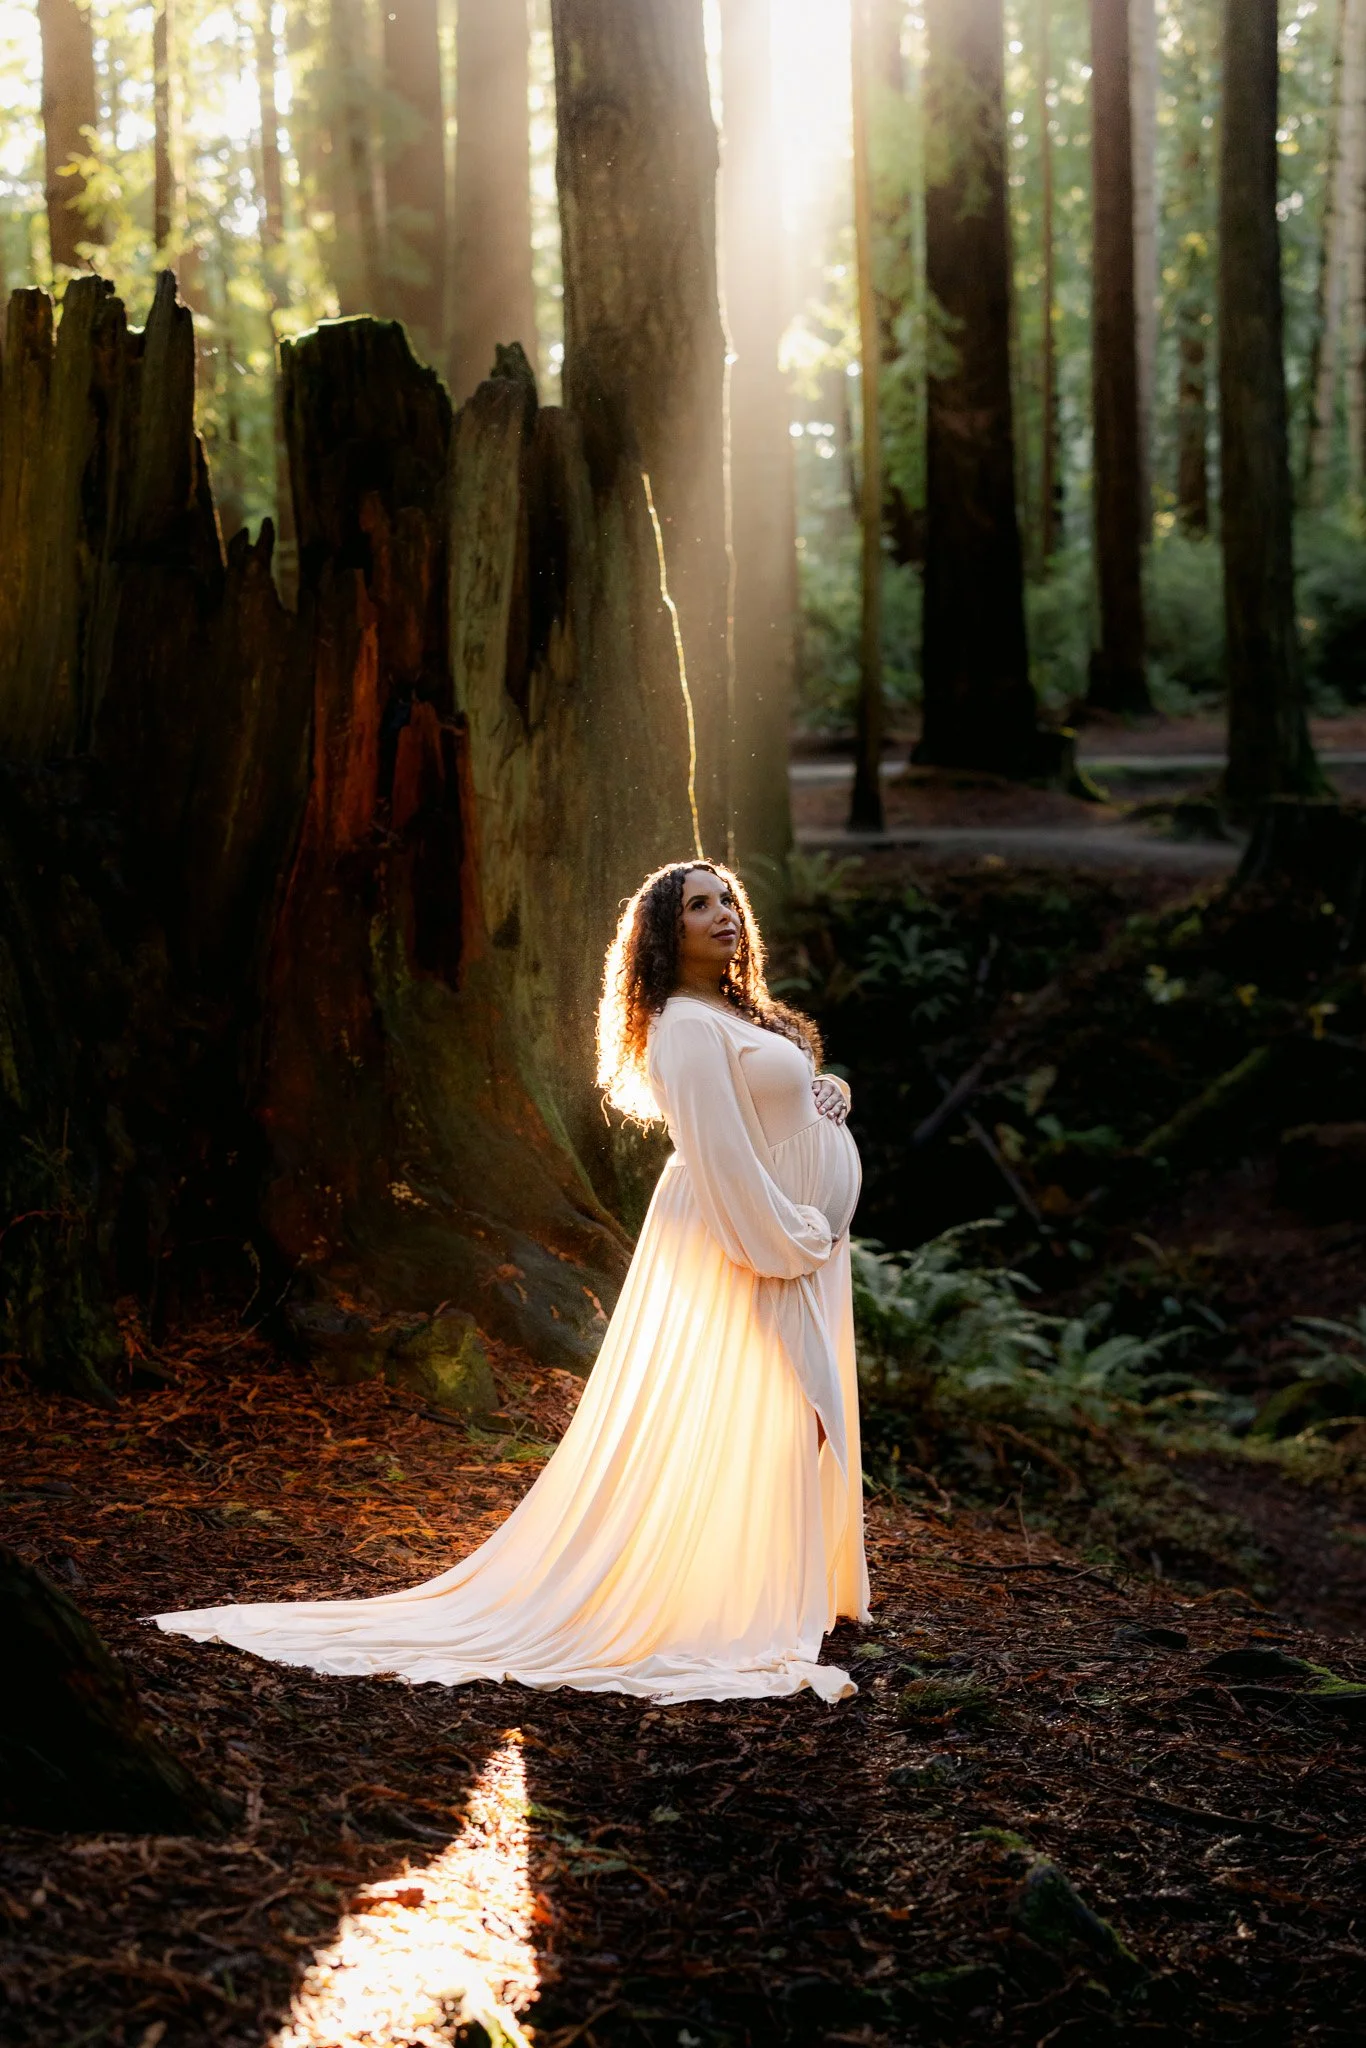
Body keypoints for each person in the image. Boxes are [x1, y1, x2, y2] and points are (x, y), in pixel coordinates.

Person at [155, 860, 870, 1703]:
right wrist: (795, 1235)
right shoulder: (682, 1025)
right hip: (755, 1237)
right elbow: (721, 1154)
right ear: (662, 935)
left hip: (797, 1236)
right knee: (777, 1405)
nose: (723, 915)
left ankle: (773, 1581)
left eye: (726, 901)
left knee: (795, 1409)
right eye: (698, 906)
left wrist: (829, 1088)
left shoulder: (736, 1011)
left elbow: (779, 1098)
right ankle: (736, 1594)